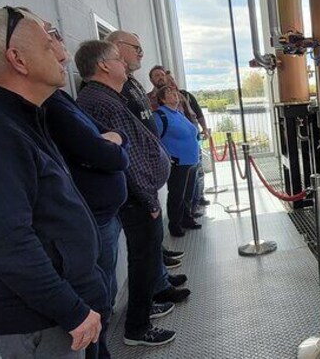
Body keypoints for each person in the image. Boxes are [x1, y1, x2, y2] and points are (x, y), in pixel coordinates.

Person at [0, 7, 106, 358]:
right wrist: (71, 310)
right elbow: (6, 243)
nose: (63, 53)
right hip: (38, 321)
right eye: (49, 44)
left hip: (57, 312)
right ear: (17, 59)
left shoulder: (19, 119)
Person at [75, 40, 178, 347]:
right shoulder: (100, 102)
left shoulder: (108, 96)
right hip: (135, 198)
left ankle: (143, 309)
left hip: (138, 195)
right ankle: (137, 327)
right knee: (144, 259)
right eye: (118, 59)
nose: (125, 64)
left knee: (145, 258)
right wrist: (148, 199)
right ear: (103, 65)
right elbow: (126, 159)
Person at [44, 38, 130, 359]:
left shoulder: (62, 98)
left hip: (105, 214)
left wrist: (113, 142)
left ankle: (102, 350)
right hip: (94, 218)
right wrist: (111, 145)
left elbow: (116, 139)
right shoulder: (54, 106)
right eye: (48, 37)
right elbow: (105, 153)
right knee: (97, 298)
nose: (60, 45)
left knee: (102, 292)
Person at [154, 85, 202, 237]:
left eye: (175, 92)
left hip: (191, 160)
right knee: (177, 194)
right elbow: (155, 140)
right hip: (177, 162)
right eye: (169, 93)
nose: (174, 94)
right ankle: (174, 224)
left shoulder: (179, 113)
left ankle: (186, 218)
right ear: (162, 99)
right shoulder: (160, 115)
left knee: (188, 192)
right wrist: (168, 157)